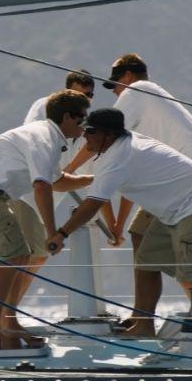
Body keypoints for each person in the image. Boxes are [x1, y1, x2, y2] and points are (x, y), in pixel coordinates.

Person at [47, 108, 192, 337]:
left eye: (89, 131)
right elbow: (105, 192)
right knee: (146, 262)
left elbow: (92, 205)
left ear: (108, 136)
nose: (83, 136)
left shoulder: (119, 158)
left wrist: (61, 234)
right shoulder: (118, 148)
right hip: (172, 210)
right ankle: (144, 325)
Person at [0, 89, 92, 350]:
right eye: (81, 118)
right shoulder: (44, 138)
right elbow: (41, 186)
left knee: (22, 254)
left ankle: (6, 323)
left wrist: (97, 180)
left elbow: (58, 181)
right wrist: (53, 231)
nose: (84, 125)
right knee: (14, 255)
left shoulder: (51, 137)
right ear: (67, 117)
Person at [93, 53, 192, 335]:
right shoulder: (154, 103)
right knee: (140, 235)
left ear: (127, 77)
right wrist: (119, 223)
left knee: (184, 257)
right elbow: (136, 178)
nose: (116, 92)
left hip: (189, 180)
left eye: (115, 86)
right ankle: (143, 318)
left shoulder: (138, 92)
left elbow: (109, 140)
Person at [15, 70, 114, 310]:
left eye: (90, 95)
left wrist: (113, 227)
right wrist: (63, 172)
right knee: (24, 256)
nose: (86, 100)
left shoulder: (84, 127)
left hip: (49, 198)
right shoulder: (45, 107)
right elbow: (35, 143)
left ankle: (6, 309)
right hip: (27, 193)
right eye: (80, 94)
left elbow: (98, 178)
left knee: (36, 257)